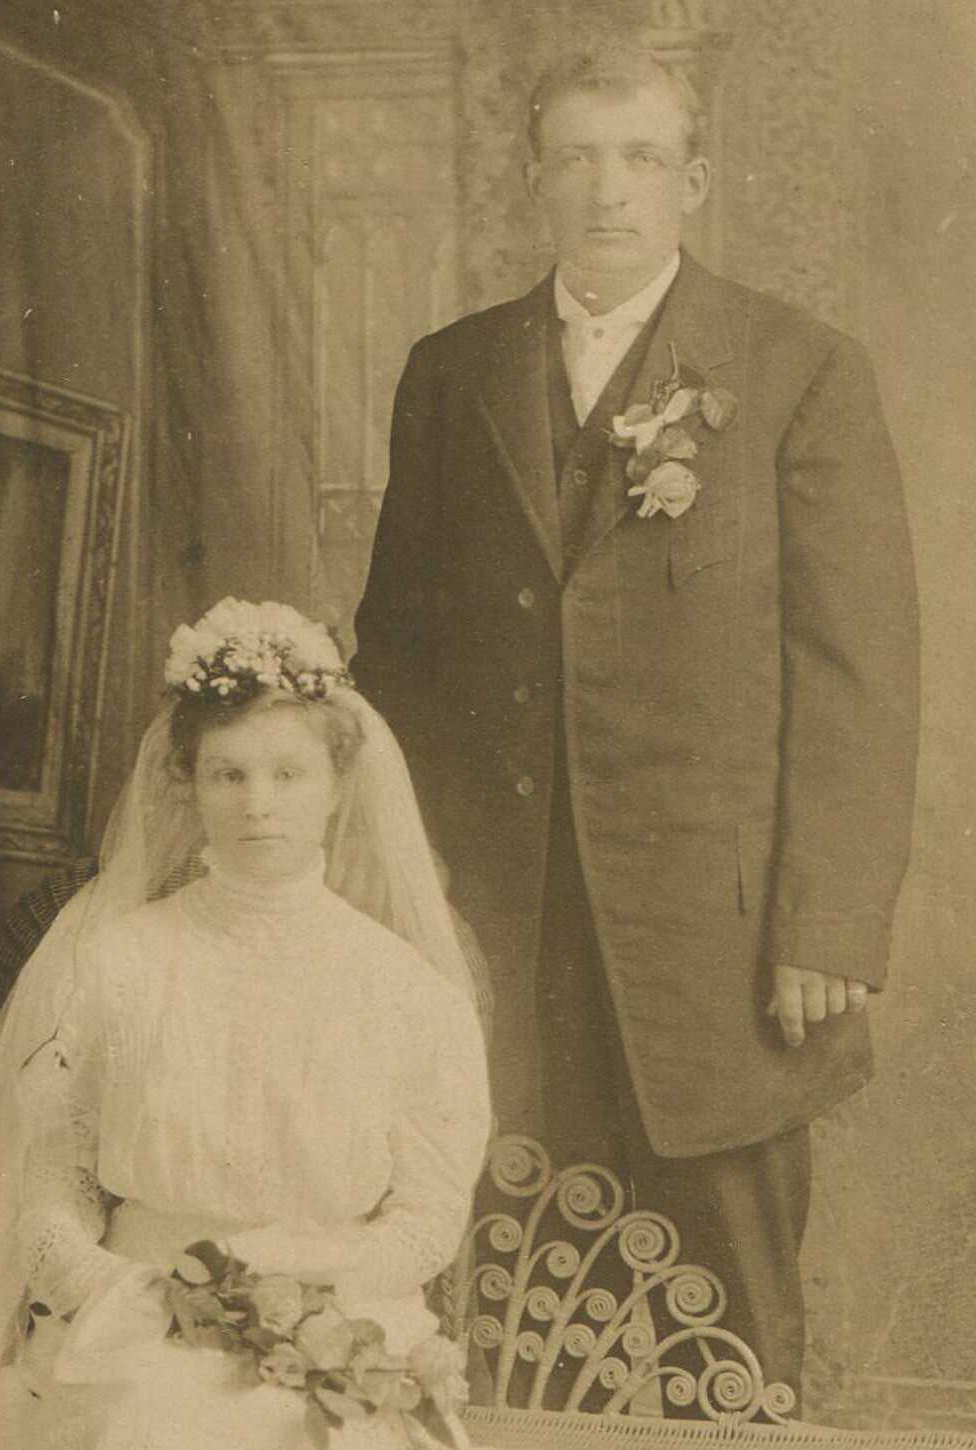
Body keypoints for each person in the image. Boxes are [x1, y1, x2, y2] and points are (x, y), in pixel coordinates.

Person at [352, 46, 920, 1403]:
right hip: (503, 926)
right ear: (532, 179)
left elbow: (858, 671)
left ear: (693, 181)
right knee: (525, 1302)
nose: (608, 189)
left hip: (718, 946)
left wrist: (825, 925)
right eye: (576, 157)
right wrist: (406, 902)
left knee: (727, 1333)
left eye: (642, 157)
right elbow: (400, 655)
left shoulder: (796, 369)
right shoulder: (453, 371)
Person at [0, 597, 491, 1449]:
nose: (258, 804)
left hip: (334, 1330)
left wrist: (302, 1298)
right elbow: (54, 1178)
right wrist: (128, 1293)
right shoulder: (115, 962)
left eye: (288, 774)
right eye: (228, 774)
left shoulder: (403, 989)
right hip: (128, 1329)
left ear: (338, 785)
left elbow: (427, 1216)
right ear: (189, 784)